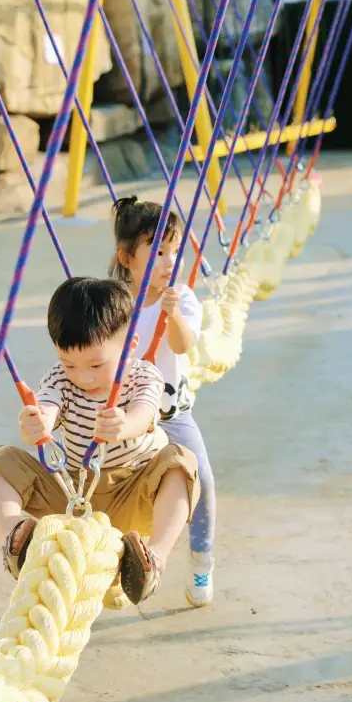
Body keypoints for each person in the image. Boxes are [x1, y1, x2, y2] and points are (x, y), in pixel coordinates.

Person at [0, 276, 200, 605]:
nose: (84, 377)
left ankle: (154, 560)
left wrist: (124, 425)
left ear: (131, 345)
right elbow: (47, 406)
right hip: (75, 494)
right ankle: (16, 540)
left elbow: (145, 414)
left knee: (180, 461)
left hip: (135, 488)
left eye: (96, 364)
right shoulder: (59, 378)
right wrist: (37, 423)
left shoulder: (143, 375)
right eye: (69, 363)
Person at [109, 196, 216, 606]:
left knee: (201, 482)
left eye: (174, 251)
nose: (169, 261)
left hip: (171, 415)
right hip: (128, 416)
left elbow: (184, 344)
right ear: (126, 255)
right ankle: (118, 562)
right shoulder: (116, 301)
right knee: (111, 488)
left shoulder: (182, 297)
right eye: (157, 252)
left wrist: (172, 315)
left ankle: (201, 562)